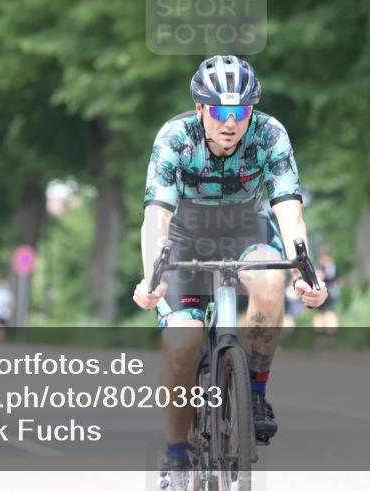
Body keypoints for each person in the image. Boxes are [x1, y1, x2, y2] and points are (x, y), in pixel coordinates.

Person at [131, 55, 327, 489]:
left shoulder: (270, 134)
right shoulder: (175, 137)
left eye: (241, 111)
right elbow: (156, 217)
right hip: (186, 233)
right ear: (200, 108)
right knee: (182, 346)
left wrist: (304, 272)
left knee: (271, 281)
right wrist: (152, 278)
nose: (231, 122)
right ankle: (176, 459)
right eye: (220, 111)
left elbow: (289, 212)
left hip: (245, 227)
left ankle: (254, 392)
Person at [313, 248, 341, 334]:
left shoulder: (328, 267)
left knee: (328, 315)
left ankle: (328, 336)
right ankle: (324, 336)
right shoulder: (332, 267)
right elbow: (339, 281)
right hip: (326, 294)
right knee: (321, 315)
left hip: (327, 294)